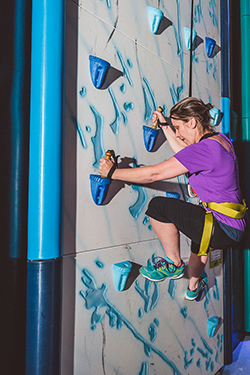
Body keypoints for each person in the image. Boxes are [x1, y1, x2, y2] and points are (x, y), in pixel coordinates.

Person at [98, 97, 248, 301]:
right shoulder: (219, 140)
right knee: (200, 244)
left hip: (220, 226)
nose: (178, 133)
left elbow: (154, 174)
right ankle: (193, 286)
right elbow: (187, 153)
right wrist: (166, 127)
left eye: (179, 127)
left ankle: (174, 264)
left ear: (192, 122)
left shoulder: (206, 150)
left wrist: (113, 172)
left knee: (158, 207)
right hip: (231, 225)